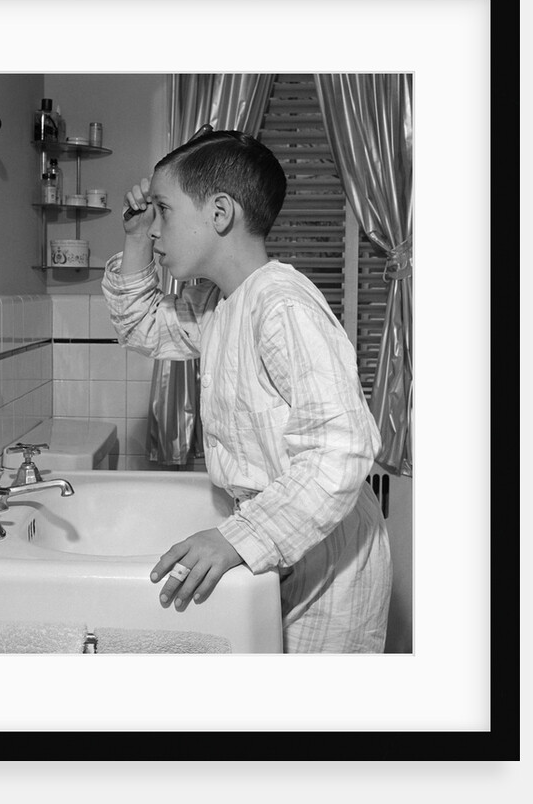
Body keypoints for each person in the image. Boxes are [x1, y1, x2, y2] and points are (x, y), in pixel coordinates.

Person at [101, 130, 392, 653]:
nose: (157, 231)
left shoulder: (280, 305)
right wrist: (135, 236)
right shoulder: (220, 303)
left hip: (329, 563)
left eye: (163, 211)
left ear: (219, 213)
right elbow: (141, 326)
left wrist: (234, 538)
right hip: (282, 541)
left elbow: (341, 449)